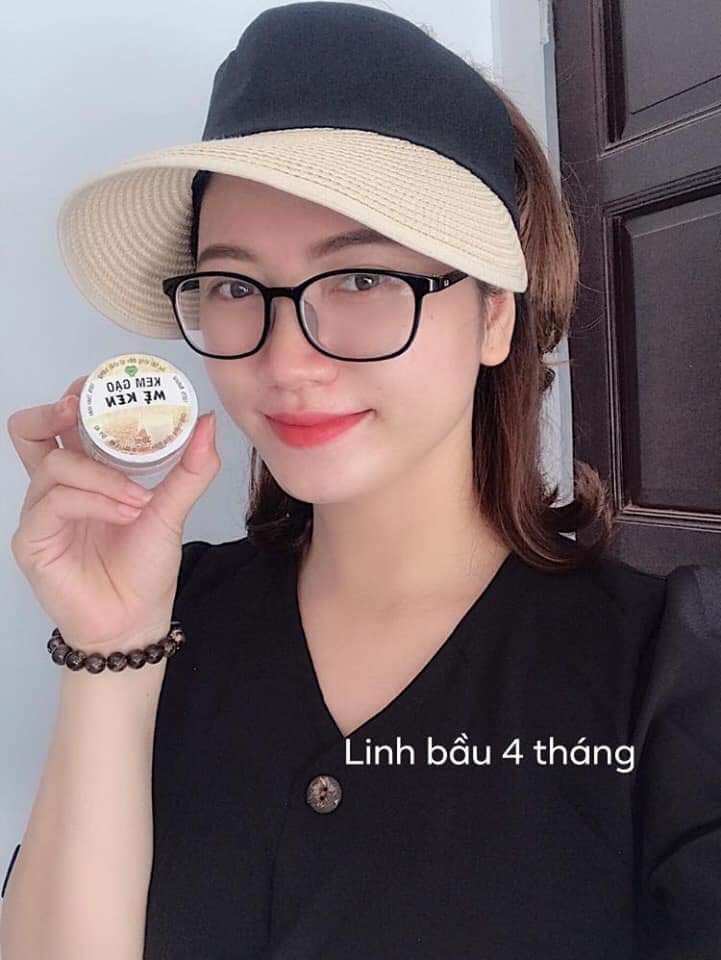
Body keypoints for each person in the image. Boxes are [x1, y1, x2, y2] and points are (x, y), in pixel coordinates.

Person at [2, 4, 720, 959]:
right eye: (234, 286)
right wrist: (108, 651)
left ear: (493, 318)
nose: (286, 359)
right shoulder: (165, 618)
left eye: (362, 278)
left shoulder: (664, 671)